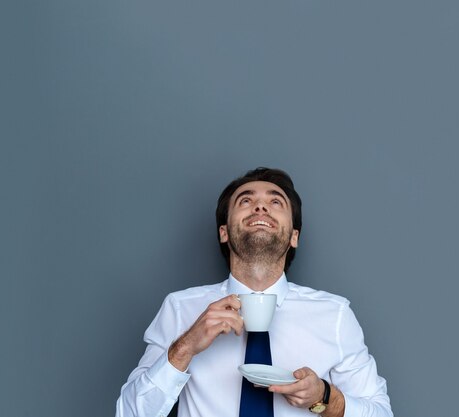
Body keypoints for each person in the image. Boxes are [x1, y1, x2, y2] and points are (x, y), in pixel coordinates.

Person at [116, 168, 393, 417]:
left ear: (294, 236)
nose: (260, 206)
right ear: (223, 232)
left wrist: (324, 397)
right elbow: (129, 414)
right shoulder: (180, 308)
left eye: (275, 202)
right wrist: (185, 346)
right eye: (245, 201)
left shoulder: (335, 315)